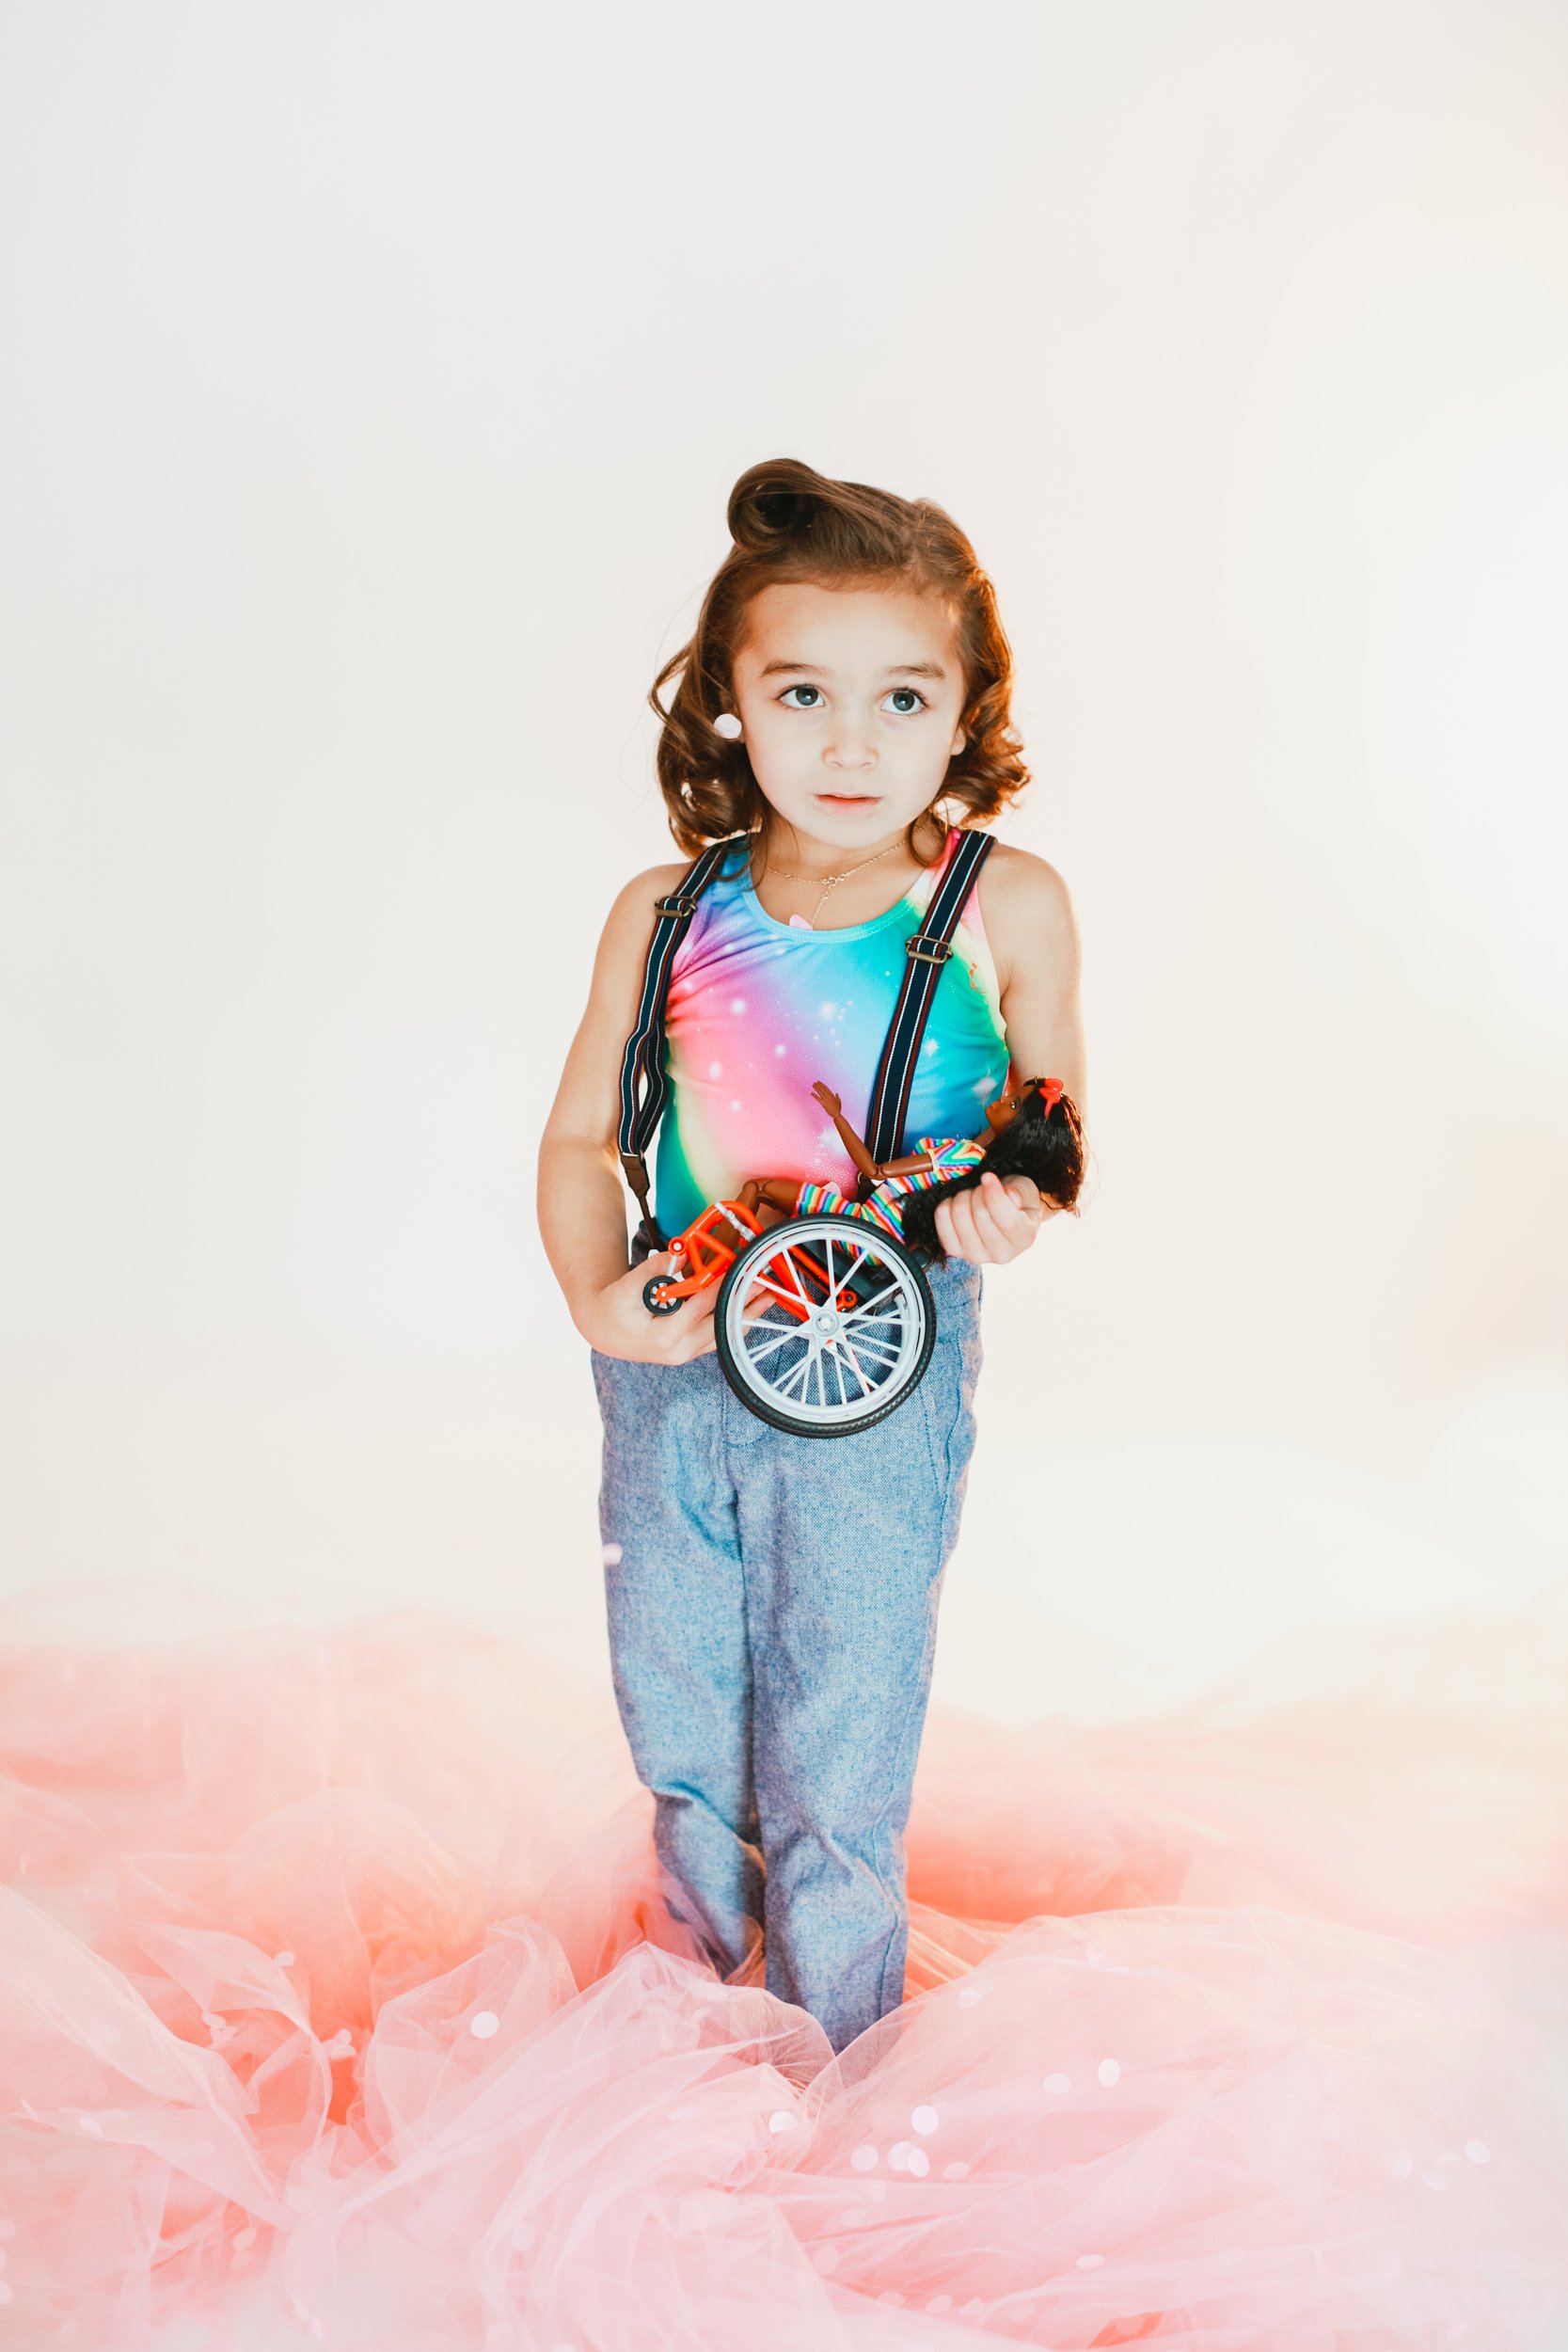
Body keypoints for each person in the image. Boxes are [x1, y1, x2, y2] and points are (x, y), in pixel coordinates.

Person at [536, 456, 1087, 2054]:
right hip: (672, 1359)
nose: (852, 746)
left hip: (873, 1367)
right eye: (802, 693)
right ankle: (693, 2018)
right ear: (727, 699)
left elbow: (1048, 1127)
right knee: (678, 1696)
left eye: (903, 700)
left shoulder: (1005, 906)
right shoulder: (664, 911)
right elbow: (580, 1142)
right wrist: (596, 1299)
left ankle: (837, 2043)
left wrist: (1012, 1202)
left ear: (968, 706)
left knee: (840, 1704)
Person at [733, 1070, 1086, 1253]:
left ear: (1020, 1130)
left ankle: (711, 1273)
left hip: (863, 1228)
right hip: (881, 1237)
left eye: (1014, 1106)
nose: (1004, 1098)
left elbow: (874, 1171)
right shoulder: (974, 1164)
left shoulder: (963, 1157)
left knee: (758, 1188)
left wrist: (837, 1117)